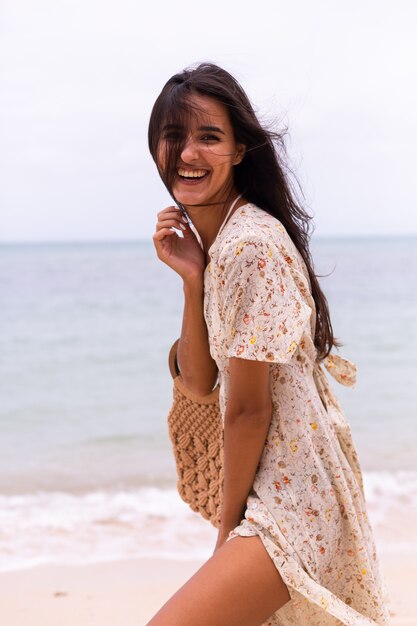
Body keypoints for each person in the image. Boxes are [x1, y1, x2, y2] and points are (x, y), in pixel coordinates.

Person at [147, 63, 389, 626]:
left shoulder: (248, 244)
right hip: (284, 492)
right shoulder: (225, 245)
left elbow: (250, 410)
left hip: (291, 504)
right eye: (174, 136)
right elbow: (203, 383)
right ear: (155, 147)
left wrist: (225, 533)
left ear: (239, 151)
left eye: (209, 137)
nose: (188, 153)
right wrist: (193, 281)